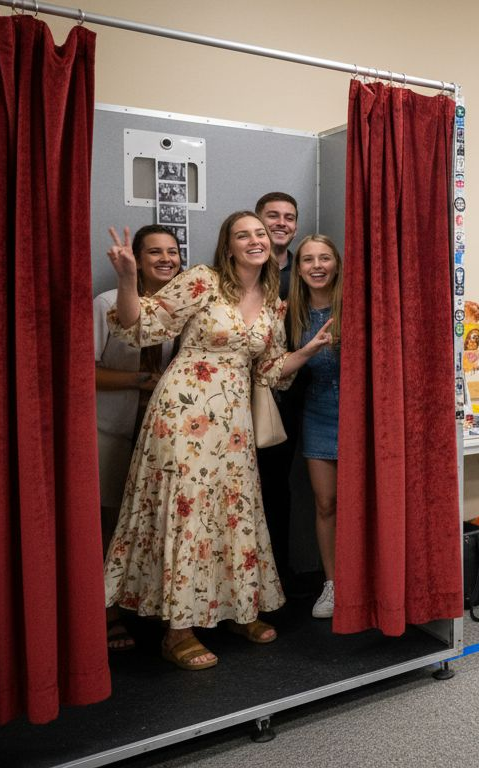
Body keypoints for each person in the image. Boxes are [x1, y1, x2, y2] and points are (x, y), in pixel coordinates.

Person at [103, 212, 334, 670]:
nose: (255, 240)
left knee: (234, 514)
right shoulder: (203, 281)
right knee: (186, 513)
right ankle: (178, 630)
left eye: (260, 234)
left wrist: (305, 353)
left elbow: (268, 371)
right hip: (182, 414)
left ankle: (233, 609)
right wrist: (128, 279)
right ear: (228, 246)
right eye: (242, 234)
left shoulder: (274, 301)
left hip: (233, 423)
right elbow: (140, 326)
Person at [94, 225, 181, 651]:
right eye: (155, 253)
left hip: (159, 437)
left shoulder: (177, 308)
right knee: (108, 525)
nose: (166, 259)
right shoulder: (107, 304)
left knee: (148, 524)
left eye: (173, 251)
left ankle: (140, 606)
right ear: (137, 259)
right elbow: (83, 369)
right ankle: (106, 616)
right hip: (111, 429)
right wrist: (140, 381)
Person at [287, 235, 342, 618]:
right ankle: (332, 584)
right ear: (299, 268)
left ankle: (365, 578)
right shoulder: (289, 313)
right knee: (326, 504)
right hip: (318, 414)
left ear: (337, 264)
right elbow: (277, 368)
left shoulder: (354, 307)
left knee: (362, 504)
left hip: (359, 418)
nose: (317, 265)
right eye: (308, 259)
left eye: (325, 258)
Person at [254, 192, 302, 587]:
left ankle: (278, 579)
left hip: (293, 398)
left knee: (277, 489)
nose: (280, 222)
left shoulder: (303, 272)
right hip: (246, 396)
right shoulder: (237, 273)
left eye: (288, 217)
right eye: (272, 216)